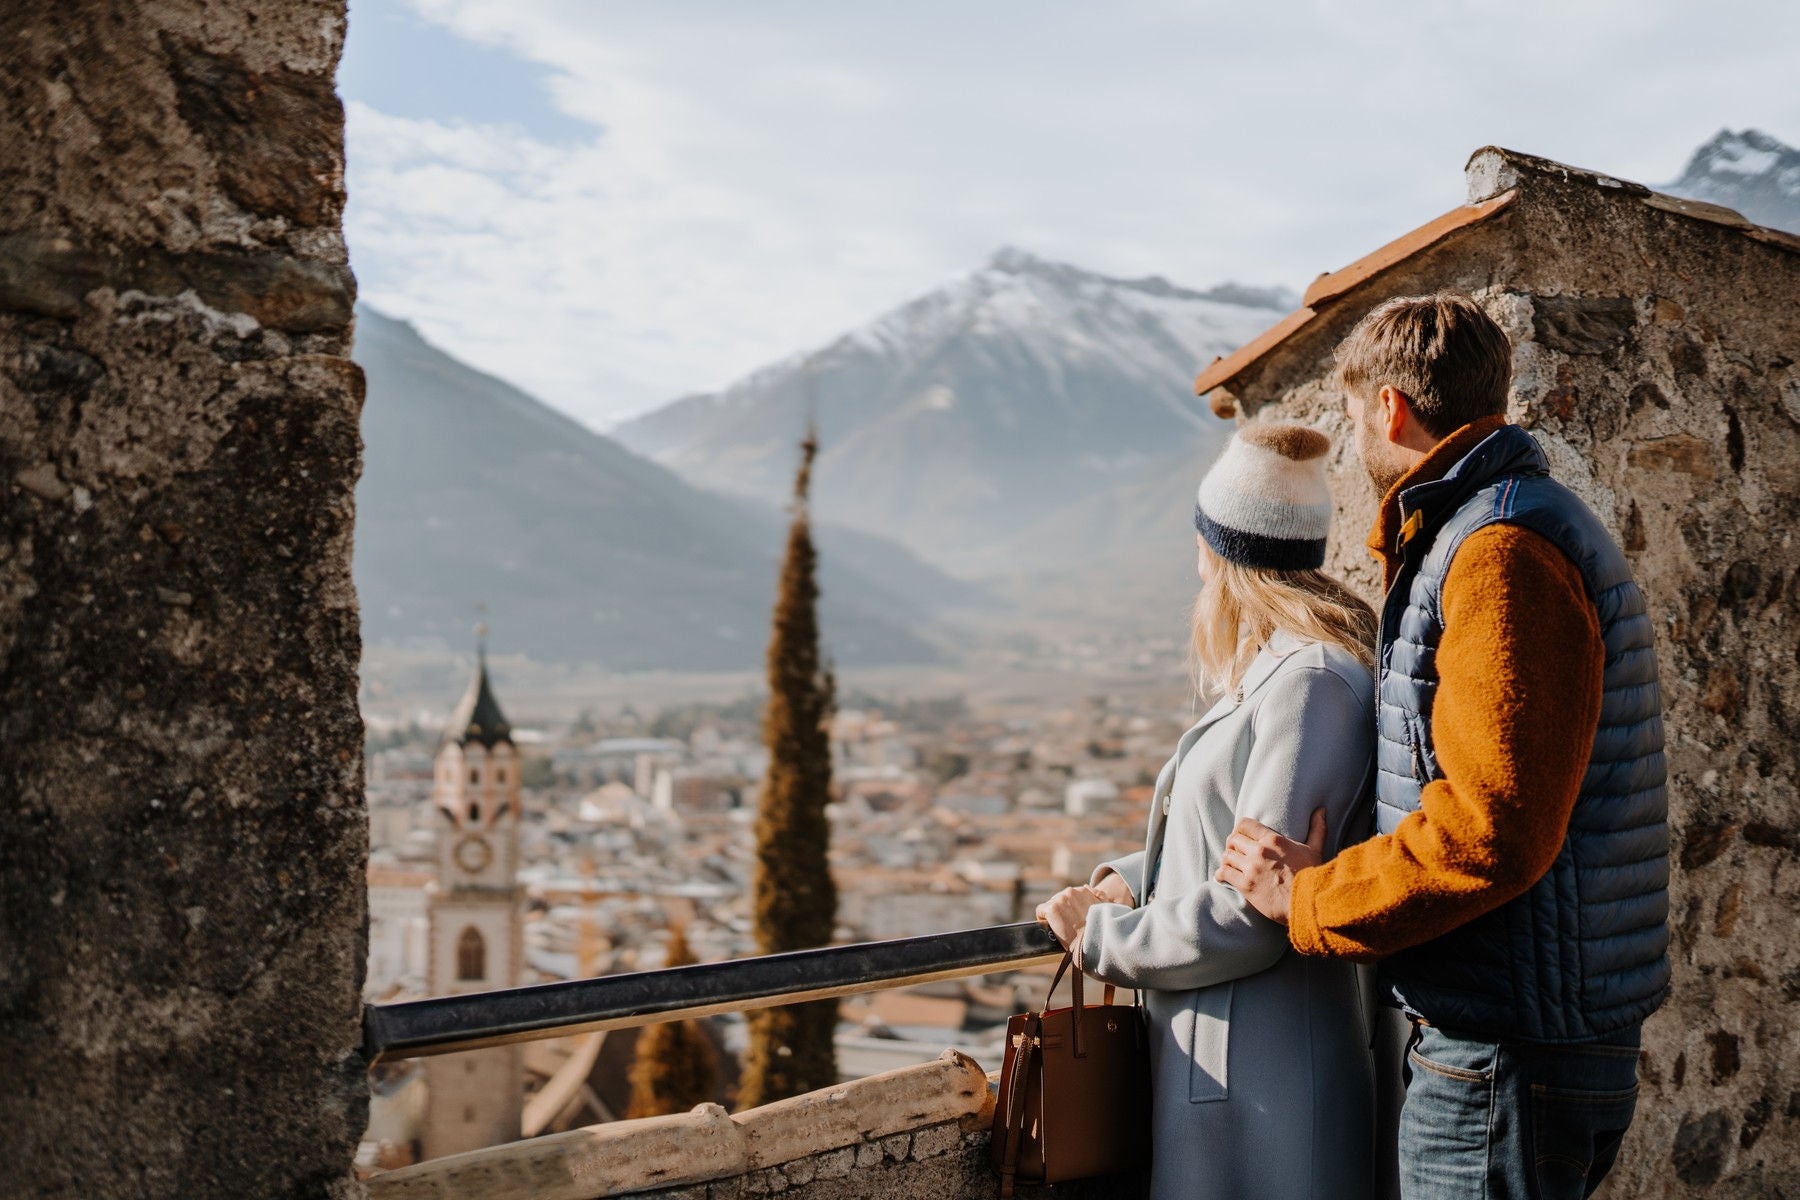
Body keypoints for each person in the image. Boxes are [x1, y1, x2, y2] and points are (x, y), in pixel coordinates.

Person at [1216, 292, 1670, 1200]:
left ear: (1389, 408)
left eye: (1351, 424)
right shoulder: (1512, 522)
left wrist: (1307, 899)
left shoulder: (1498, 547)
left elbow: (1490, 826)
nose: (1354, 451)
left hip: (1505, 1050)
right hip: (1529, 1034)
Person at [1037, 421, 1382, 1200]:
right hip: (1235, 1074)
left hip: (1268, 1087)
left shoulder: (1309, 685)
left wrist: (1102, 936)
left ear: (1219, 548)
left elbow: (1256, 911)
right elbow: (1229, 838)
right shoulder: (1282, 669)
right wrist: (1131, 877)